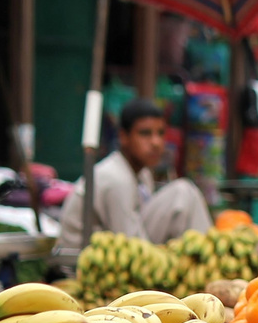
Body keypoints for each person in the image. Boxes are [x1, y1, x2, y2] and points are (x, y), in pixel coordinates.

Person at [58, 97, 211, 249]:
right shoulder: (115, 178)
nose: (156, 143)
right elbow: (132, 244)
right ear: (124, 137)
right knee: (182, 192)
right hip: (85, 257)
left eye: (161, 133)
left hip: (122, 242)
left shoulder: (143, 174)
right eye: (145, 133)